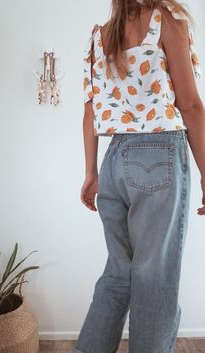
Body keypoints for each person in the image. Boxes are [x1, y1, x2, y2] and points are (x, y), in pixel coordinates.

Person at [74, 0, 205, 352]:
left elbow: (90, 112)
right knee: (154, 282)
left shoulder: (99, 36)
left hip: (114, 162)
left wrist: (91, 173)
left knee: (118, 277)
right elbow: (191, 105)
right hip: (158, 155)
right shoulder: (166, 22)